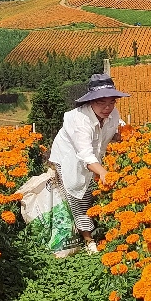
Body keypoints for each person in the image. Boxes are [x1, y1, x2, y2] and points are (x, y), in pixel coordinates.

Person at [49, 74, 129, 254]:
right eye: (102, 103)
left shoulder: (112, 113)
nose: (108, 108)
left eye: (112, 102)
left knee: (90, 192)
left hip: (93, 159)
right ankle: (88, 240)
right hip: (69, 158)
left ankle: (90, 226)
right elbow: (84, 153)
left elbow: (116, 127)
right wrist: (104, 173)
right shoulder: (79, 120)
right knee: (76, 195)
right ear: (91, 101)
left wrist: (121, 135)